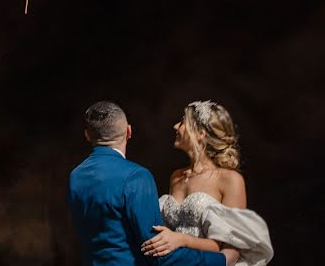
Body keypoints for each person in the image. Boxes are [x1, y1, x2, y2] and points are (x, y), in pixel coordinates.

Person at [68, 101, 225, 266]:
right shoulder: (136, 176)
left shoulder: (75, 176)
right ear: (128, 131)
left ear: (87, 135)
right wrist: (221, 260)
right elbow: (156, 251)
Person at [141, 101, 273, 266]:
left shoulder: (230, 180)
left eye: (182, 122)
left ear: (200, 134)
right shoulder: (176, 177)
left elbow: (230, 248)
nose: (175, 126)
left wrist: (181, 240)